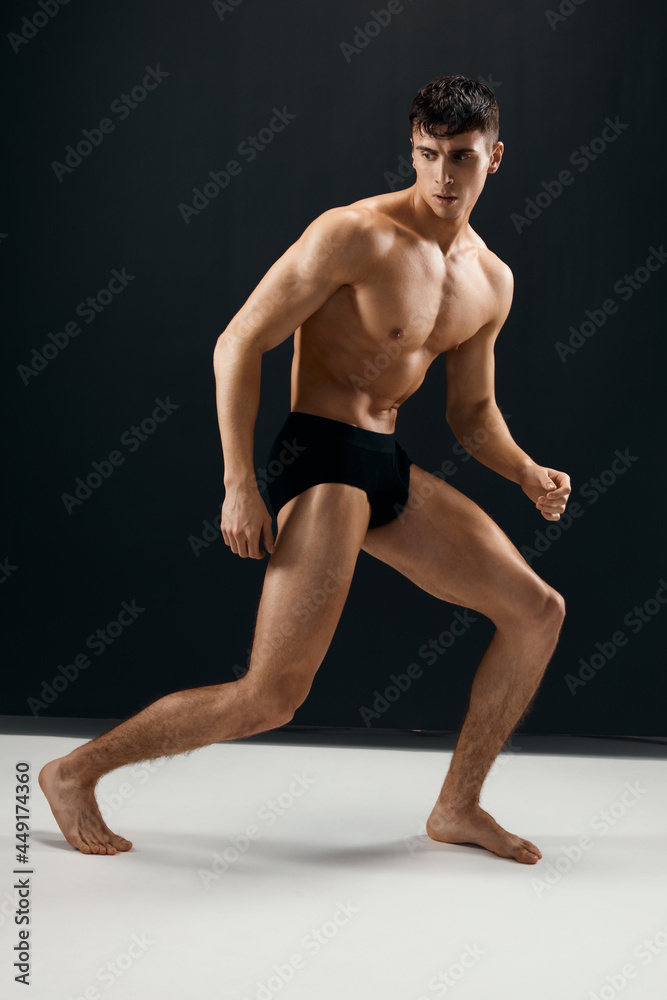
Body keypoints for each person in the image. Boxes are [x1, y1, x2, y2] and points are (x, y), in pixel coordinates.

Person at [39, 74, 570, 864]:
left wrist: (526, 471)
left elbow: (470, 414)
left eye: (461, 157)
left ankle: (457, 807)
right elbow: (237, 343)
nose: (442, 176)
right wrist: (238, 483)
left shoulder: (489, 280)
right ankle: (74, 771)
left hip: (383, 459)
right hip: (319, 454)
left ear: (496, 157)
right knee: (272, 696)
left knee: (537, 612)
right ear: (412, 148)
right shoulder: (353, 234)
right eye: (427, 154)